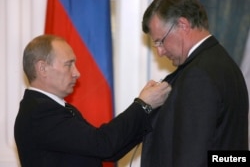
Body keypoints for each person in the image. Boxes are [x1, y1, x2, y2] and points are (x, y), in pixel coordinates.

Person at [14, 34, 171, 167]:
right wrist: (142, 105)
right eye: (69, 65)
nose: (77, 73)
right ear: (42, 68)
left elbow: (109, 151)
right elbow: (102, 144)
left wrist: (148, 110)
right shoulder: (41, 113)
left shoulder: (56, 108)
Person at [140, 0, 249, 167]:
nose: (159, 51)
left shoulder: (197, 76)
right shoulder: (225, 65)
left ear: (183, 25)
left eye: (161, 41)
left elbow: (192, 159)